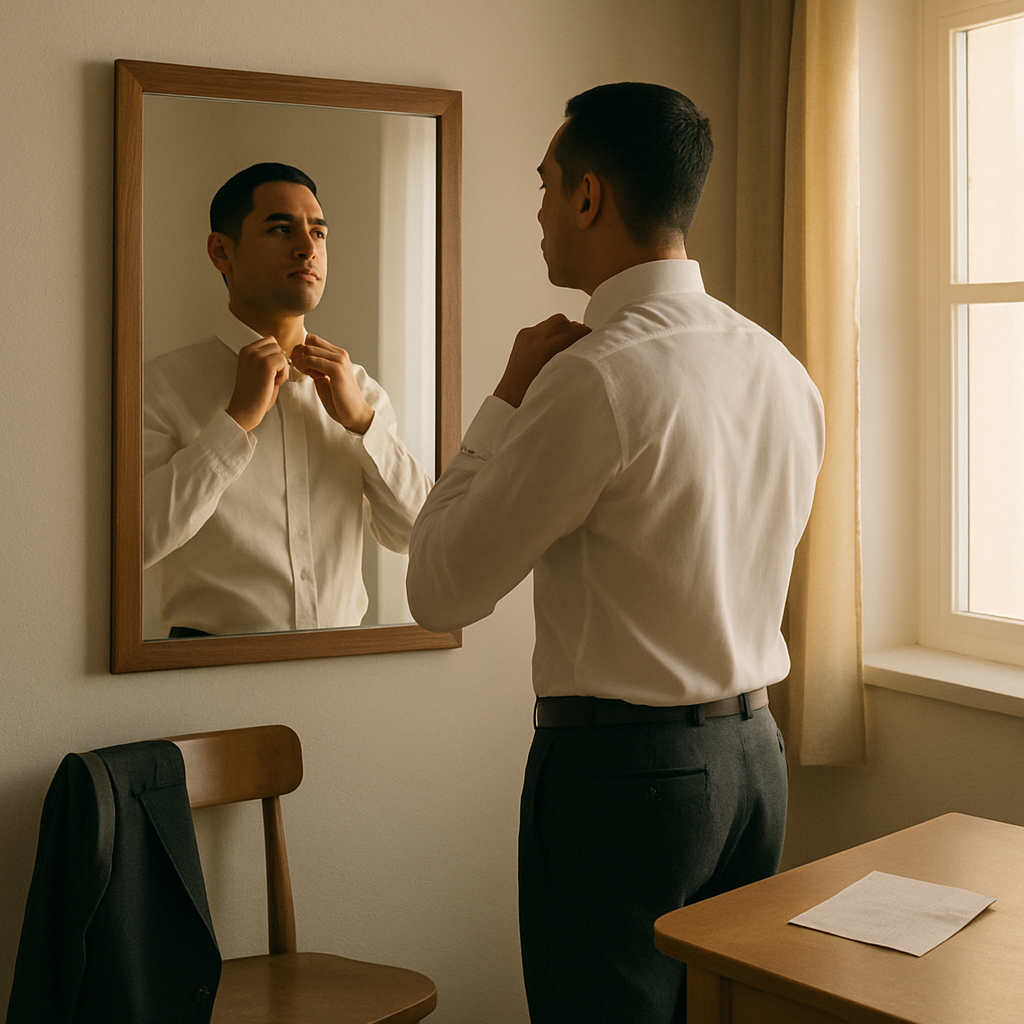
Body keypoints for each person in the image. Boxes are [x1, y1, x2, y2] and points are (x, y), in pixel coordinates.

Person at [405, 83, 825, 1023]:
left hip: (622, 782)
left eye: (548, 184)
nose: (541, 211)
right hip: (755, 759)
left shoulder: (590, 377)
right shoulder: (784, 371)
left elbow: (439, 588)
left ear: (590, 197)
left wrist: (504, 400)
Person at [144, 163, 431, 636]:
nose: (307, 247)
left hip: (340, 672)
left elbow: (421, 536)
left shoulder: (360, 391)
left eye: (318, 232)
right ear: (222, 251)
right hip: (204, 682)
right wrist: (234, 423)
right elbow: (135, 545)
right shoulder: (161, 386)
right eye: (281, 228)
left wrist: (363, 424)